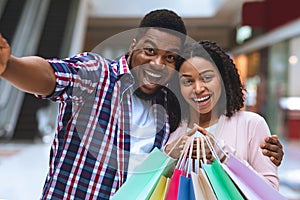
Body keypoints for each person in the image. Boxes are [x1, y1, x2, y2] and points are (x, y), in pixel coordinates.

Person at [0, 9, 283, 199]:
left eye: (170, 58)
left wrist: (252, 157)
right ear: (134, 44)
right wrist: (9, 65)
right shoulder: (96, 74)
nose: (158, 64)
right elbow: (51, 76)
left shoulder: (169, 108)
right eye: (150, 51)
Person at [164, 40, 281, 189]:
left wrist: (220, 153)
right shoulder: (171, 126)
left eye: (207, 78)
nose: (198, 88)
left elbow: (270, 191)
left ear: (222, 80)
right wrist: (168, 155)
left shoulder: (252, 124)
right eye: (187, 81)